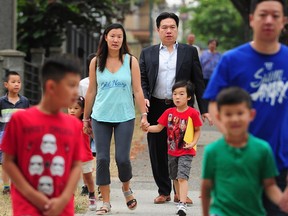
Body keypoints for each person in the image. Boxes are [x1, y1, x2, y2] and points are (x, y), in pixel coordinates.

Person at [203, 0, 288, 215]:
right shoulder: (232, 59)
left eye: (275, 15)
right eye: (263, 14)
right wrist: (232, 139)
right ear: (252, 19)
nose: (269, 20)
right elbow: (214, 104)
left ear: (284, 21)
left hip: (282, 164)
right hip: (240, 163)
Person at [139, 11, 212, 204]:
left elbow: (198, 81)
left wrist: (203, 108)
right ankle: (164, 191)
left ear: (177, 29)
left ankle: (180, 191)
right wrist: (144, 101)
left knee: (181, 149)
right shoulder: (148, 53)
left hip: (183, 110)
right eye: (165, 27)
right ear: (158, 30)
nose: (169, 31)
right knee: (157, 150)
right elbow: (143, 81)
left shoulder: (189, 52)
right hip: (155, 105)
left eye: (172, 27)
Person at [1, 54, 83, 215]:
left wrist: (64, 198)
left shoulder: (74, 124)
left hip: (62, 206)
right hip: (27, 205)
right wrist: (34, 196)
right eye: (72, 85)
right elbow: (9, 162)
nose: (76, 92)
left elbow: (76, 165)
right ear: (51, 86)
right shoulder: (20, 120)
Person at [83, 23, 148, 215]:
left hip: (125, 116)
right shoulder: (96, 62)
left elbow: (137, 90)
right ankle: (107, 202)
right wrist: (85, 118)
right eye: (112, 36)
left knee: (122, 159)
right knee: (102, 159)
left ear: (123, 39)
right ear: (105, 37)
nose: (116, 40)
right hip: (100, 116)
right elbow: (91, 91)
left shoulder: (130, 61)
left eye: (119, 36)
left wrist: (143, 114)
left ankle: (126, 188)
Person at [202, 87, 283, 216]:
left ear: (251, 115)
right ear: (219, 117)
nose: (234, 119)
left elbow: (270, 185)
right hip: (221, 212)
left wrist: (282, 202)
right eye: (228, 114)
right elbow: (206, 187)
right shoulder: (212, 151)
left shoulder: (263, 149)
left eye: (240, 113)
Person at [144, 81, 202, 216]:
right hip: (172, 151)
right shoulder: (168, 112)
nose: (177, 97)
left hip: (186, 151)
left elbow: (197, 130)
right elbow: (158, 127)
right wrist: (147, 128)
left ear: (188, 97)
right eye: (175, 94)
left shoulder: (192, 113)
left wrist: (193, 143)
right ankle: (179, 199)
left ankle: (182, 204)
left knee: (182, 177)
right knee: (175, 177)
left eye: (181, 94)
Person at [0, 71, 30, 195]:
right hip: (4, 135)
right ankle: (6, 187)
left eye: (18, 82)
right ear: (6, 84)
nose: (16, 84)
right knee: (5, 162)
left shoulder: (25, 101)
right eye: (13, 82)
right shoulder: (1, 102)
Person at [67, 96, 96, 211]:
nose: (72, 110)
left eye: (76, 108)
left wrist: (90, 131)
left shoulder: (86, 123)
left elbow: (95, 137)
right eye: (70, 108)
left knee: (88, 178)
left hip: (85, 156)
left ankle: (92, 195)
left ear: (83, 110)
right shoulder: (65, 122)